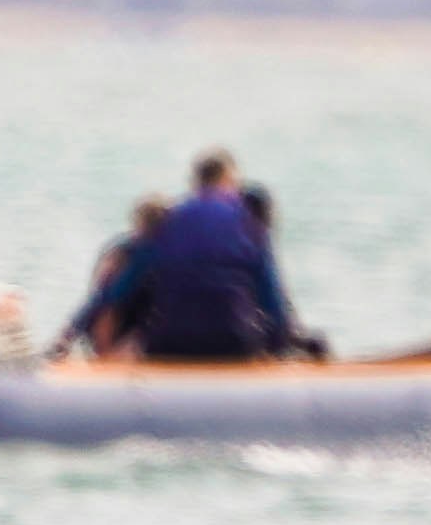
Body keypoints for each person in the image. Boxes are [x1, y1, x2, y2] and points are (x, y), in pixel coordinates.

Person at [97, 150, 311, 364]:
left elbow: (119, 291)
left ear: (195, 183)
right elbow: (272, 299)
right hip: (235, 344)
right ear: (230, 181)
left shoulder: (168, 220)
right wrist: (278, 349)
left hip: (170, 344)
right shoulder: (250, 225)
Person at [54, 197, 173, 361]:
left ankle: (69, 342)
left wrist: (68, 336)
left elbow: (100, 298)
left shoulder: (129, 249)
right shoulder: (134, 251)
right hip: (123, 327)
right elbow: (107, 302)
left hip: (116, 323)